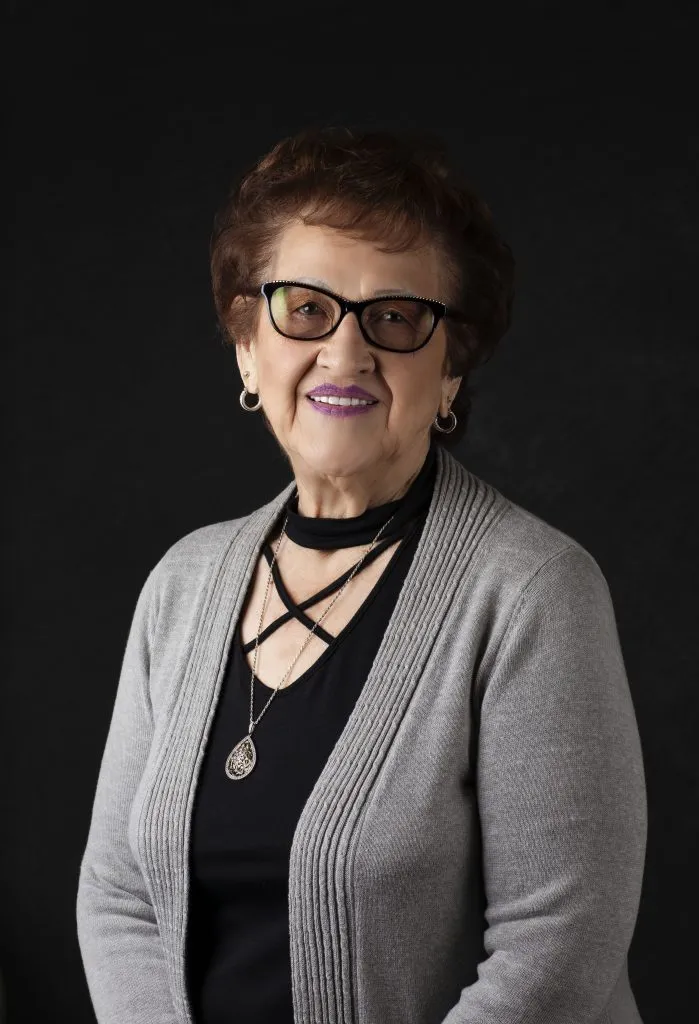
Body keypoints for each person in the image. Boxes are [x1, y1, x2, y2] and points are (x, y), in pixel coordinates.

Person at [76, 125, 647, 1024]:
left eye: (393, 316)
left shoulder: (533, 591)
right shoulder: (180, 586)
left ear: (450, 368)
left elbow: (558, 948)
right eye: (305, 308)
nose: (345, 354)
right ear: (245, 346)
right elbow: (117, 899)